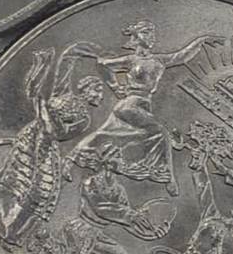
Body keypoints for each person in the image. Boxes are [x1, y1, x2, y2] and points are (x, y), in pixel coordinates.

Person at [71, 20, 224, 195]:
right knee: (160, 133)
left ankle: (74, 157)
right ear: (136, 37)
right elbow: (102, 64)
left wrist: (201, 41)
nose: (151, 37)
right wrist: (115, 86)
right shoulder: (131, 59)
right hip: (130, 104)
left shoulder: (159, 60)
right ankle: (167, 177)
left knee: (105, 133)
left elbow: (182, 56)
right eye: (146, 33)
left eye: (152, 34)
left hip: (143, 105)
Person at [0, 46, 104, 248]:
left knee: (42, 191)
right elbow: (67, 60)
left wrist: (41, 104)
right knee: (18, 179)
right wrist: (90, 52)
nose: (100, 96)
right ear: (86, 89)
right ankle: (0, 222)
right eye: (97, 90)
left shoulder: (84, 121)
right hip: (31, 138)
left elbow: (56, 133)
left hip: (46, 147)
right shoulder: (64, 93)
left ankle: (13, 233)